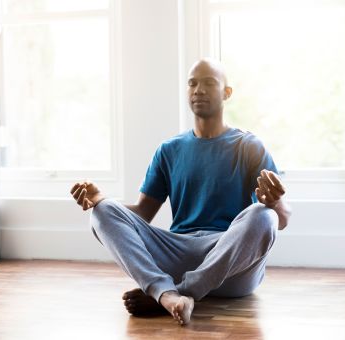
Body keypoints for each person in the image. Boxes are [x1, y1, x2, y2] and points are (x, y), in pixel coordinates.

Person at [69, 58, 292, 325]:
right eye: (192, 83)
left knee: (264, 216)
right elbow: (143, 214)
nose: (198, 89)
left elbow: (281, 220)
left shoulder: (249, 146)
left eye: (209, 83)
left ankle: (174, 293)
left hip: (229, 263)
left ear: (227, 92)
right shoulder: (169, 150)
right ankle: (168, 295)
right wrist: (101, 201)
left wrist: (274, 202)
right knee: (101, 212)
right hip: (178, 253)